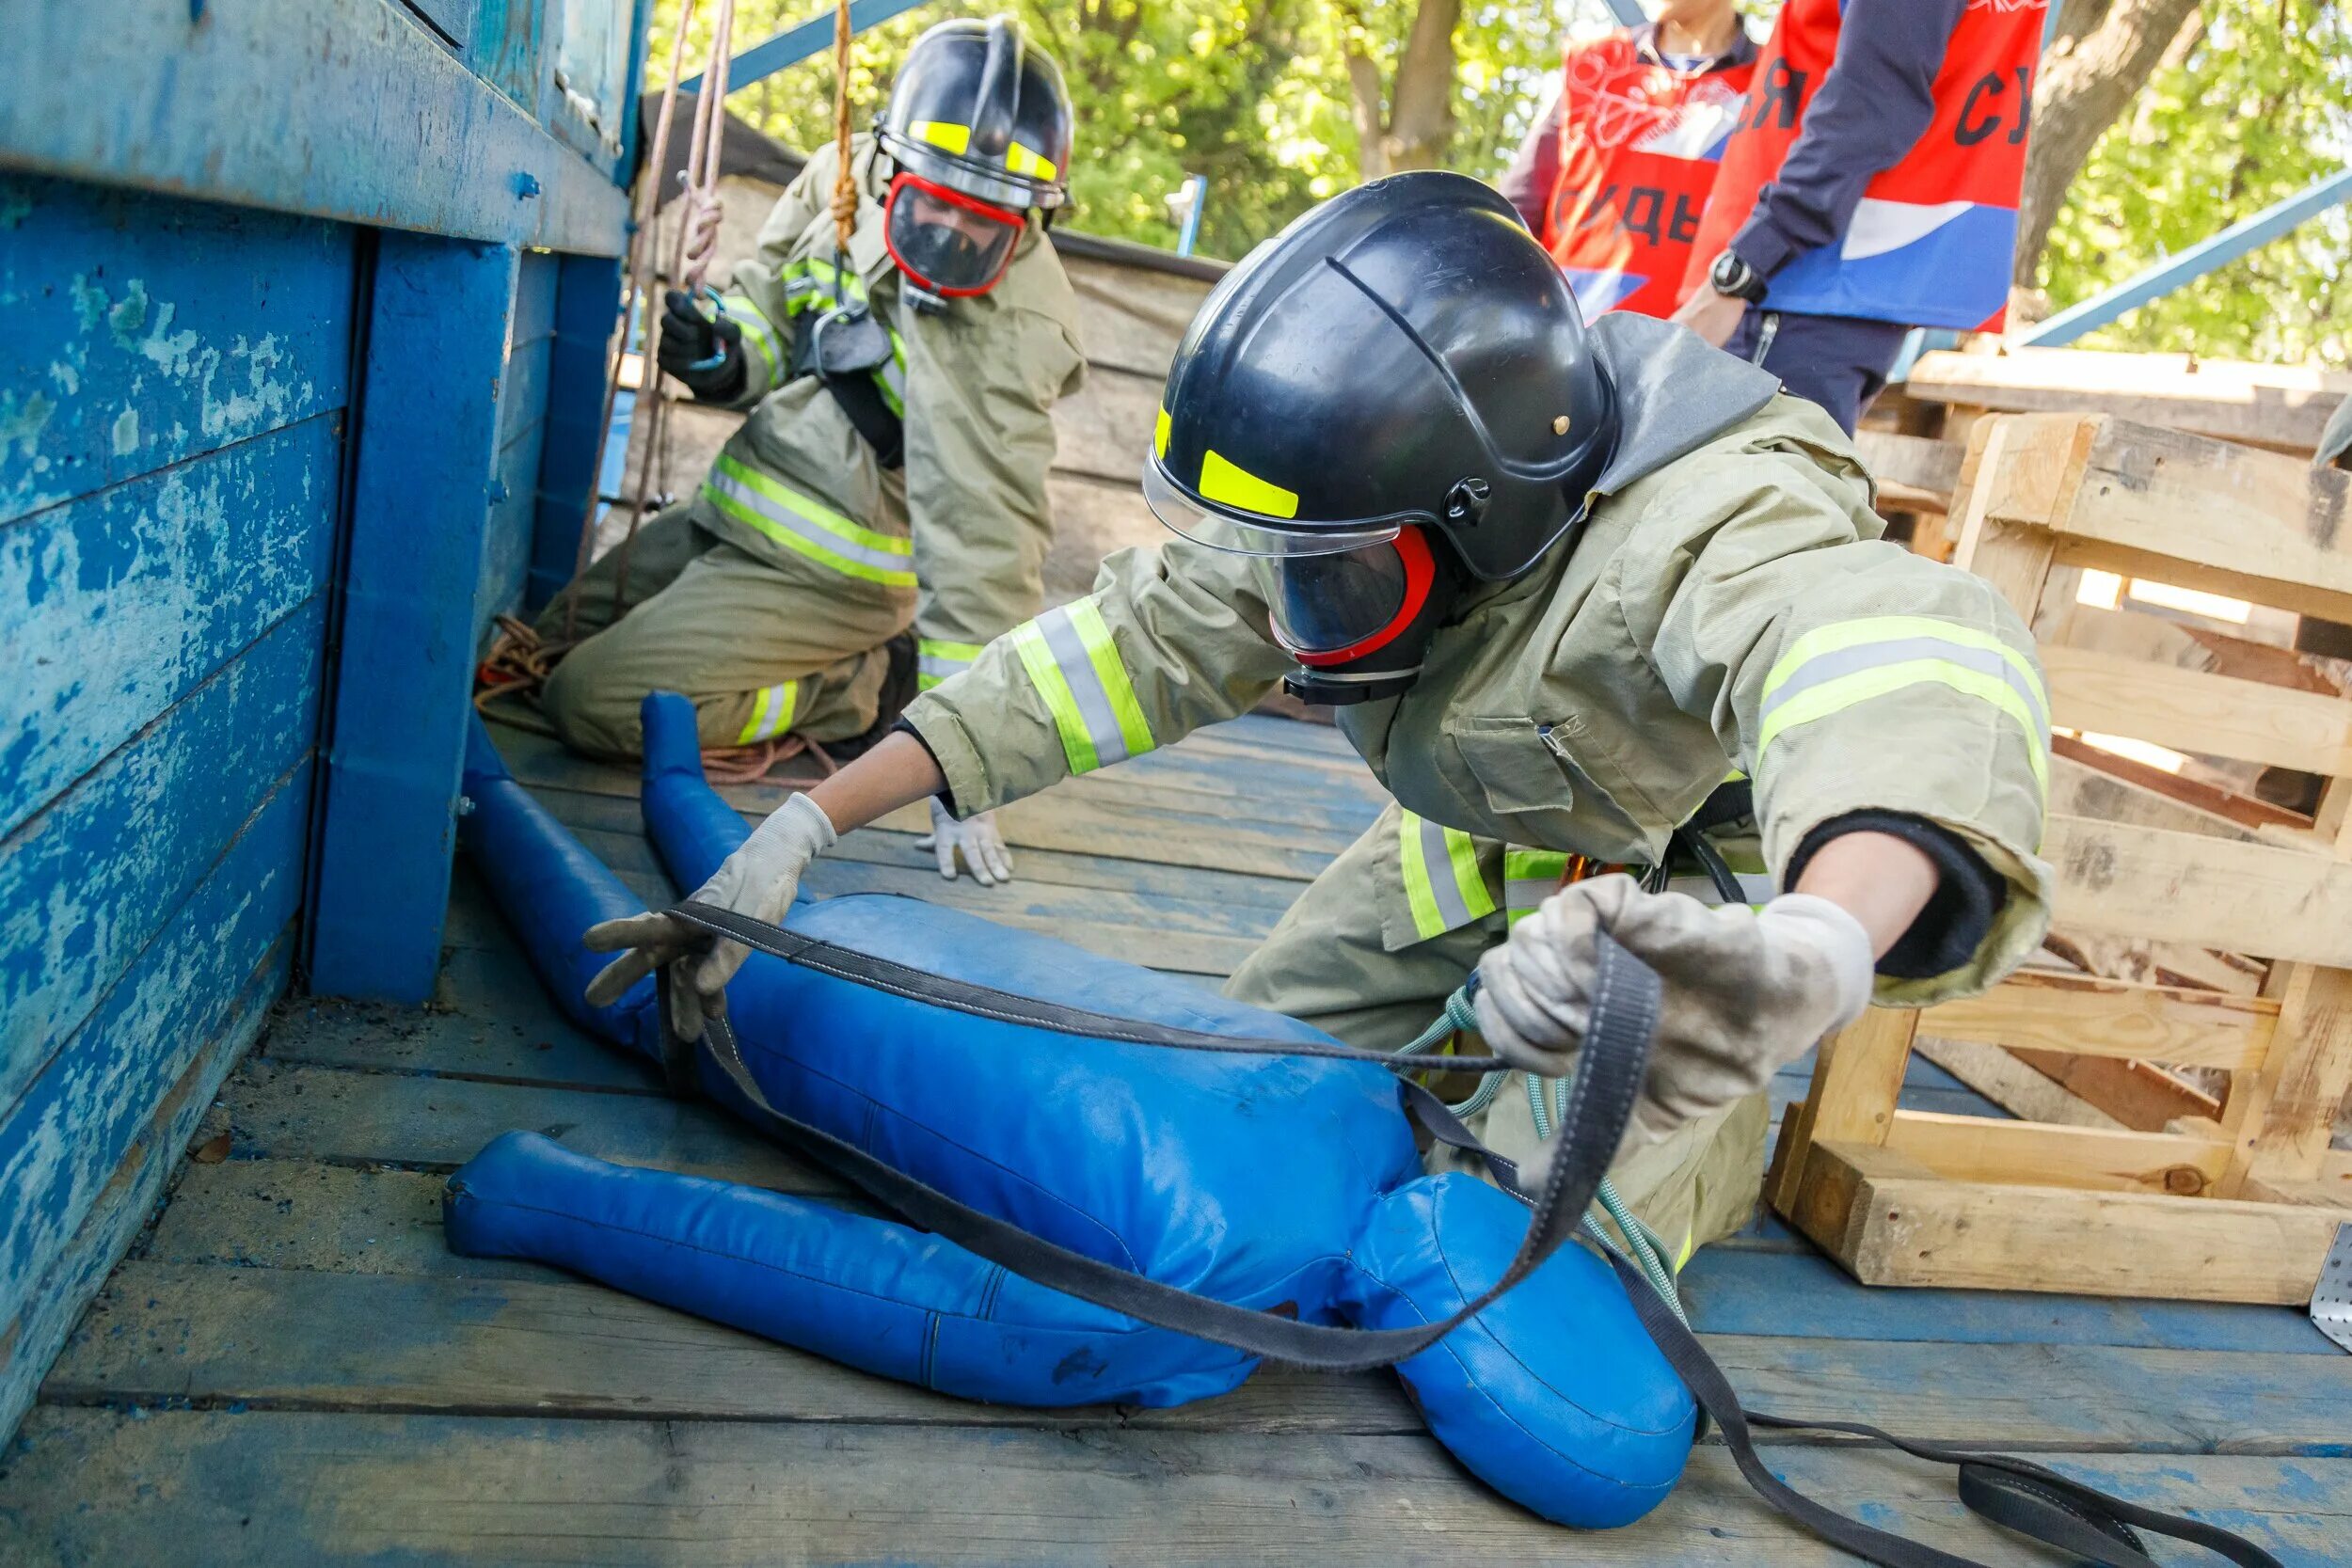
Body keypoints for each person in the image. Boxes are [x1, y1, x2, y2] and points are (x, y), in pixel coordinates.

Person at [585, 172, 2054, 1260]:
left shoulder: (1709, 520)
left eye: (1334, 579)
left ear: (1487, 516)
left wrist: (1809, 945)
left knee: (1524, 1254)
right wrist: (807, 821)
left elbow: (1905, 655)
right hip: (1478, 846)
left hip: (1686, 940)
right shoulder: (1365, 496)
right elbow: (1124, 644)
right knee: (1227, 1110)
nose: (1290, 626)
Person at [535, 15, 1088, 881]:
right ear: (888, 163)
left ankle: (845, 690)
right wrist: (718, 356)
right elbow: (766, 308)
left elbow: (985, 555)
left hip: (834, 574)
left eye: (984, 220)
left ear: (1035, 217)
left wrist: (960, 774)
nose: (949, 231)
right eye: (931, 198)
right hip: (737, 512)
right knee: (542, 647)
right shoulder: (841, 179)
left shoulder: (1014, 328)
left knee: (589, 703)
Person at [1669, 0, 2049, 434]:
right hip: (1838, 280)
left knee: (1743, 493)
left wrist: (1742, 270)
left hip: (1796, 281)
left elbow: (1871, 100)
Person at [1496, 0, 1755, 319]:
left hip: (1693, 349)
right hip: (1565, 338)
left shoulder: (1773, 84)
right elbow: (1514, 213)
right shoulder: (1593, 65)